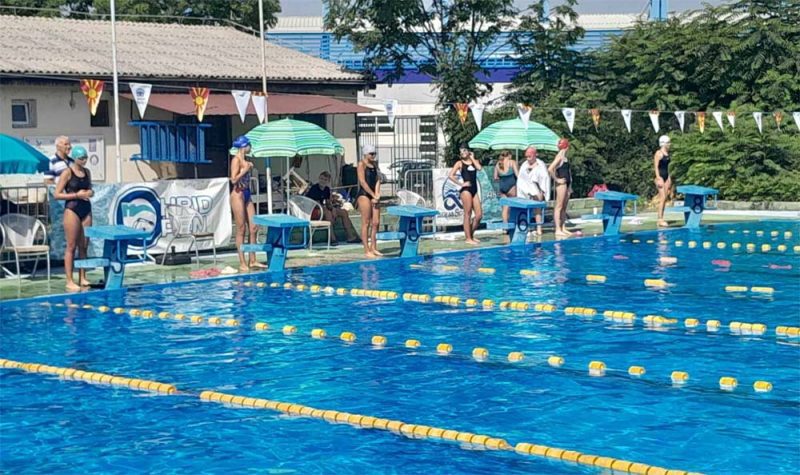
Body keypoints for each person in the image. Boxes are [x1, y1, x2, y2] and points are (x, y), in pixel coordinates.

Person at [54, 145, 93, 291]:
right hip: (72, 210)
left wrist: (90, 193)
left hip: (86, 209)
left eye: (86, 158)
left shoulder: (87, 172)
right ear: (75, 158)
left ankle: (82, 277)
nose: (84, 161)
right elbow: (57, 194)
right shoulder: (67, 173)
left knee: (84, 246)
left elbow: (90, 188)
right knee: (71, 246)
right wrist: (77, 195)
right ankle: (69, 280)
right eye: (81, 158)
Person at [229, 136, 265, 272]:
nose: (251, 147)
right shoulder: (236, 160)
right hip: (237, 194)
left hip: (247, 193)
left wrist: (248, 166)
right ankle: (242, 262)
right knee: (241, 228)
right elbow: (233, 180)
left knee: (254, 227)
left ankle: (253, 260)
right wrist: (245, 170)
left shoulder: (246, 160)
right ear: (244, 146)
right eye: (249, 145)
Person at [306, 171, 360, 245]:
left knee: (343, 212)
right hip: (312, 210)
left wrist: (333, 209)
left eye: (325, 180)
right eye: (321, 179)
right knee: (328, 213)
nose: (323, 181)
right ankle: (332, 239)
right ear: (319, 179)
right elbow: (317, 204)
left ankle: (350, 237)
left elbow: (328, 203)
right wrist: (330, 211)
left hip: (322, 209)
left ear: (328, 181)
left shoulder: (327, 189)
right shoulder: (314, 188)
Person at [449, 143, 483, 245]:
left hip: (474, 190)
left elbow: (479, 168)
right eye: (461, 151)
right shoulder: (459, 163)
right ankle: (468, 238)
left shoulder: (474, 161)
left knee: (479, 215)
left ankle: (471, 235)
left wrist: (472, 158)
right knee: (467, 213)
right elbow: (450, 175)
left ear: (468, 151)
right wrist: (461, 184)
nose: (462, 153)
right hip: (466, 190)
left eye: (464, 150)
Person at [516, 146, 551, 236]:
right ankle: (527, 228)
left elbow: (545, 178)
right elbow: (521, 179)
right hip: (525, 191)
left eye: (530, 155)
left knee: (537, 210)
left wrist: (543, 191)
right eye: (527, 155)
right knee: (525, 210)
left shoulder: (540, 165)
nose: (528, 157)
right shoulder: (524, 165)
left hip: (537, 189)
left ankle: (539, 229)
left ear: (535, 155)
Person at [356, 144, 382, 257]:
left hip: (373, 194)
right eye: (371, 154)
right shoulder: (361, 164)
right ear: (365, 154)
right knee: (366, 222)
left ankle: (374, 247)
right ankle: (367, 250)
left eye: (374, 153)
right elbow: (362, 182)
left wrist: (377, 194)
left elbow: (378, 180)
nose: (373, 156)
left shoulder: (375, 164)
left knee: (376, 222)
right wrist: (372, 195)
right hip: (364, 195)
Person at [548, 138, 572, 236]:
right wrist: (557, 179)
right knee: (559, 207)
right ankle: (557, 229)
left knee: (564, 207)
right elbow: (550, 169)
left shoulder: (565, 157)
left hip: (567, 184)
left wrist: (570, 186)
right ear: (567, 146)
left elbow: (568, 173)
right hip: (561, 184)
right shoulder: (559, 157)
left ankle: (563, 227)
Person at [493, 150, 518, 224]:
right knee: (513, 206)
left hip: (502, 187)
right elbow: (517, 175)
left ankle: (505, 226)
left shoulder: (498, 164)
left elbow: (495, 177)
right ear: (509, 155)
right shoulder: (512, 162)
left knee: (505, 207)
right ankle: (513, 223)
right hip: (511, 186)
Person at [654, 135, 672, 227]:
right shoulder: (658, 153)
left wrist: (669, 177)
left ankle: (661, 217)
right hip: (660, 177)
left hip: (666, 177)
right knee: (663, 197)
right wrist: (658, 178)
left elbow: (667, 167)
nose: (670, 144)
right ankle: (659, 219)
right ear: (664, 143)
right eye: (668, 143)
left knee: (665, 198)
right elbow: (656, 167)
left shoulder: (667, 153)